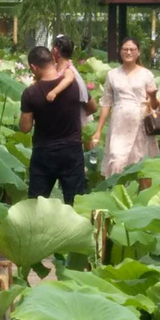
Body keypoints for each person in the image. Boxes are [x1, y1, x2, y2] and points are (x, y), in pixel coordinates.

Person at [19, 46, 96, 205]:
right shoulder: (73, 85)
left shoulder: (30, 93)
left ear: (33, 67)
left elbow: (25, 128)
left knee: (37, 204)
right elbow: (93, 108)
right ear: (53, 61)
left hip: (44, 153)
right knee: (74, 202)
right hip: (71, 151)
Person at [90, 37, 160, 177]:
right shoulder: (112, 75)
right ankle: (116, 193)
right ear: (120, 51)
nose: (128, 52)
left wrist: (153, 97)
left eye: (132, 49)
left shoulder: (147, 74)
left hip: (141, 122)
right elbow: (106, 103)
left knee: (142, 163)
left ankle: (142, 197)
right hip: (119, 123)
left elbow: (153, 106)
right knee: (116, 160)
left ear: (138, 52)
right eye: (125, 49)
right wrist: (98, 130)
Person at [49, 35, 97, 126]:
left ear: (55, 51)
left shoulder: (69, 70)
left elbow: (93, 107)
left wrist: (54, 92)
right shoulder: (54, 68)